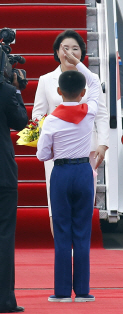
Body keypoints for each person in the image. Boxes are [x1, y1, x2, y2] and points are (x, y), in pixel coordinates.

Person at [37, 46, 99, 302]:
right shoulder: (90, 111)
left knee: (62, 231)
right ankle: (82, 291)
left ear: (59, 92)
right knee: (82, 231)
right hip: (84, 171)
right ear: (82, 93)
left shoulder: (51, 120)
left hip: (61, 174)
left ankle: (62, 292)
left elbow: (42, 155)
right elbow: (95, 81)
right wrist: (78, 62)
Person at [32, 30, 109, 235]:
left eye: (75, 48)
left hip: (86, 150)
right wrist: (47, 134)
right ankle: (64, 250)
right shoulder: (46, 80)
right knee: (56, 203)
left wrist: (103, 143)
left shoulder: (91, 79)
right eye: (65, 48)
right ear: (57, 52)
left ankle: (79, 250)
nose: (70, 53)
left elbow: (101, 113)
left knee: (83, 202)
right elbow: (38, 114)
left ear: (82, 53)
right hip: (56, 152)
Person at [0, 71, 27, 313]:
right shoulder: (7, 91)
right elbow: (20, 121)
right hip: (2, 174)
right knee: (4, 235)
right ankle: (5, 298)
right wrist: (17, 89)